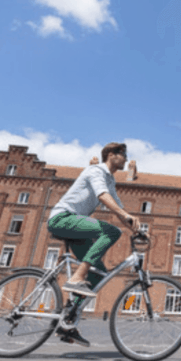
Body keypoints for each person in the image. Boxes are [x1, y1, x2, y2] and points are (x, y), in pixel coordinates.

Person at [46, 142, 140, 346]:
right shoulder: (96, 170)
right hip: (62, 218)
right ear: (112, 155)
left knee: (97, 273)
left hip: (75, 228)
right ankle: (78, 276)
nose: (125, 159)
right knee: (111, 231)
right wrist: (124, 215)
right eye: (123, 155)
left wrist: (138, 229)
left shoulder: (109, 180)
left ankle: (67, 324)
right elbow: (102, 196)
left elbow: (118, 205)